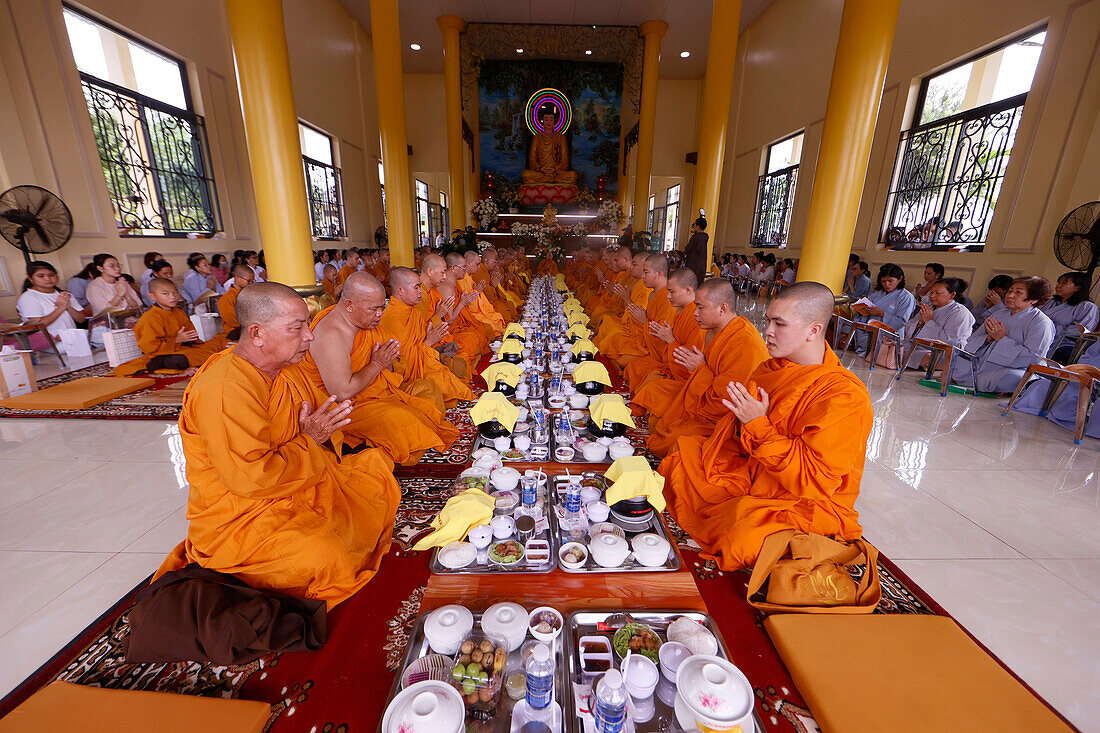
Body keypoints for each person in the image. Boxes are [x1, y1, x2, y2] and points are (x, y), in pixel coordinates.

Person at [152, 282, 399, 608]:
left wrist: (318, 434)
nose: (309, 337)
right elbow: (250, 477)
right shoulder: (226, 387)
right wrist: (310, 439)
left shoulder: (284, 371)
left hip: (296, 481)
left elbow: (318, 418)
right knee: (328, 558)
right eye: (297, 329)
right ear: (257, 334)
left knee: (375, 473)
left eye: (307, 327)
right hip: (245, 513)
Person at [659, 281, 873, 570]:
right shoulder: (771, 368)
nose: (768, 332)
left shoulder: (842, 395)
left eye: (779, 324)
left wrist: (757, 424)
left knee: (740, 538)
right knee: (680, 459)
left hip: (804, 500)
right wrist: (742, 424)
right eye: (768, 321)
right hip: (756, 470)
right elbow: (738, 433)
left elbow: (815, 481)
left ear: (814, 330)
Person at [279, 272, 458, 465]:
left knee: (427, 389)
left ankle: (392, 442)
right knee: (402, 418)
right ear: (349, 305)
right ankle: (368, 451)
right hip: (345, 408)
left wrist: (389, 361)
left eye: (382, 307)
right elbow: (342, 392)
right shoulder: (333, 334)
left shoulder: (362, 323)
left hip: (373, 392)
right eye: (373, 309)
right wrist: (377, 364)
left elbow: (396, 365)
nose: (380, 314)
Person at [637, 278, 769, 457]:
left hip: (723, 418)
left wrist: (700, 368)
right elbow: (701, 371)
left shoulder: (745, 343)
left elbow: (727, 400)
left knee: (675, 439)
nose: (694, 313)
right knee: (655, 394)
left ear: (722, 309)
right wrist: (700, 368)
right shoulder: (715, 331)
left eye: (700, 307)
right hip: (700, 396)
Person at [379, 267, 475, 406]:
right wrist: (429, 342)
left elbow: (419, 342)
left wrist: (429, 341)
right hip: (408, 375)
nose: (420, 292)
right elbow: (402, 364)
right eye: (416, 287)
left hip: (424, 361)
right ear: (400, 290)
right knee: (440, 387)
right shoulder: (393, 318)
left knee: (454, 372)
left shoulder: (413, 313)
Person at [953, 276, 1056, 394]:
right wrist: (987, 339)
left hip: (1012, 369)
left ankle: (969, 380)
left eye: (1018, 293)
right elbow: (971, 342)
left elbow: (1034, 359)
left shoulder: (1041, 322)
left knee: (1013, 378)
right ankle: (972, 380)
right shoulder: (999, 314)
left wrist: (1002, 339)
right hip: (983, 362)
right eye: (1010, 291)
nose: (1010, 295)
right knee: (953, 357)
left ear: (1034, 299)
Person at [114, 278, 227, 376]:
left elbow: (192, 337)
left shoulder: (178, 312)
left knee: (221, 340)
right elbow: (149, 348)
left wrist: (189, 340)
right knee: (179, 360)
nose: (172, 297)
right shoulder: (150, 317)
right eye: (165, 294)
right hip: (161, 355)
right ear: (152, 296)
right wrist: (176, 340)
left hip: (183, 350)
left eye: (175, 292)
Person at [623, 267, 705, 393]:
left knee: (649, 389)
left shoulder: (696, 318)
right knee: (634, 368)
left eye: (672, 292)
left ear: (688, 290)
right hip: (668, 363)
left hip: (684, 376)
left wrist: (669, 339)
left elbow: (688, 362)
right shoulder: (682, 310)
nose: (668, 296)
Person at [603, 253, 676, 368]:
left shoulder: (668, 298)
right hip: (643, 339)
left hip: (654, 348)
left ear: (659, 274)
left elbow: (662, 337)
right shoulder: (653, 293)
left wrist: (644, 320)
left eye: (646, 272)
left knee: (625, 362)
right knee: (612, 336)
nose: (643, 276)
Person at [420, 253, 484, 368]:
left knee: (476, 335)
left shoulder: (433, 291)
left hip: (442, 334)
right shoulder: (421, 296)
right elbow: (422, 331)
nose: (444, 277)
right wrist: (461, 304)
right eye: (442, 272)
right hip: (433, 341)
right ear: (430, 272)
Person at [903, 278, 976, 369]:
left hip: (941, 352)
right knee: (894, 345)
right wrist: (920, 323)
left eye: (937, 293)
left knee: (928, 357)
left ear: (952, 295)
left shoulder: (960, 312)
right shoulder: (930, 307)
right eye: (931, 292)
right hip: (919, 347)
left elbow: (950, 341)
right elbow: (909, 329)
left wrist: (929, 322)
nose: (932, 296)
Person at [16, 262, 87, 352]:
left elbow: (81, 319)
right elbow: (37, 326)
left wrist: (68, 307)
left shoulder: (65, 294)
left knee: (102, 336)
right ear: (31, 278)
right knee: (76, 347)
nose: (48, 279)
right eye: (41, 276)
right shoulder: (28, 297)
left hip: (72, 336)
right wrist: (60, 308)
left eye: (51, 275)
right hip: (49, 341)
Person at [851, 263, 916, 354]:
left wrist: (882, 314)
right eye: (883, 281)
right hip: (869, 330)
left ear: (900, 279)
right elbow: (867, 309)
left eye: (890, 281)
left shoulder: (906, 297)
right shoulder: (878, 293)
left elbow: (901, 321)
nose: (887, 284)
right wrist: (862, 305)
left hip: (888, 335)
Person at [595, 252, 651, 354]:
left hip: (637, 332)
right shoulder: (632, 280)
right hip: (626, 321)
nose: (631, 267)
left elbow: (638, 317)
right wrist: (613, 291)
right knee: (606, 319)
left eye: (634, 265)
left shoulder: (646, 289)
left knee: (612, 330)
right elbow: (619, 302)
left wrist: (626, 298)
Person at [1041, 272, 1099, 362]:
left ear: (1077, 288)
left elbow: (1079, 332)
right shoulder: (1051, 302)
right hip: (1040, 339)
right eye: (1059, 282)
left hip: (1063, 346)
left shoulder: (1087, 307)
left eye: (1064, 282)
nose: (1058, 285)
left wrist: (1049, 329)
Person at [521, 106, 577, 184]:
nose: (548, 122)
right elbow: (532, 159)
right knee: (525, 175)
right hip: (541, 173)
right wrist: (541, 169)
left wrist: (555, 169)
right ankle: (549, 179)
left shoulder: (561, 137)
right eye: (546, 119)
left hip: (556, 173)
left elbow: (564, 160)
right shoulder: (537, 138)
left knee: (573, 176)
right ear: (542, 121)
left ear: (554, 121)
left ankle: (549, 179)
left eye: (551, 119)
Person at [458, 251, 506, 337]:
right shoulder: (462, 279)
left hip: (479, 310)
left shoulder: (469, 277)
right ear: (468, 263)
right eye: (477, 264)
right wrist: (477, 292)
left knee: (497, 317)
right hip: (471, 314)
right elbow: (469, 305)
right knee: (490, 325)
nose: (479, 267)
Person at [217, 265, 255, 338]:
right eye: (248, 281)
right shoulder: (226, 299)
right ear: (237, 278)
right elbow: (232, 320)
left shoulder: (251, 294)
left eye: (252, 281)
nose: (251, 283)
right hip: (236, 333)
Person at [682, 212, 708, 285]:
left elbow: (688, 249)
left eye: (695, 224)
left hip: (693, 264)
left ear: (698, 226)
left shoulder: (695, 237)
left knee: (690, 283)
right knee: (699, 283)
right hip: (702, 264)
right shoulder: (706, 236)